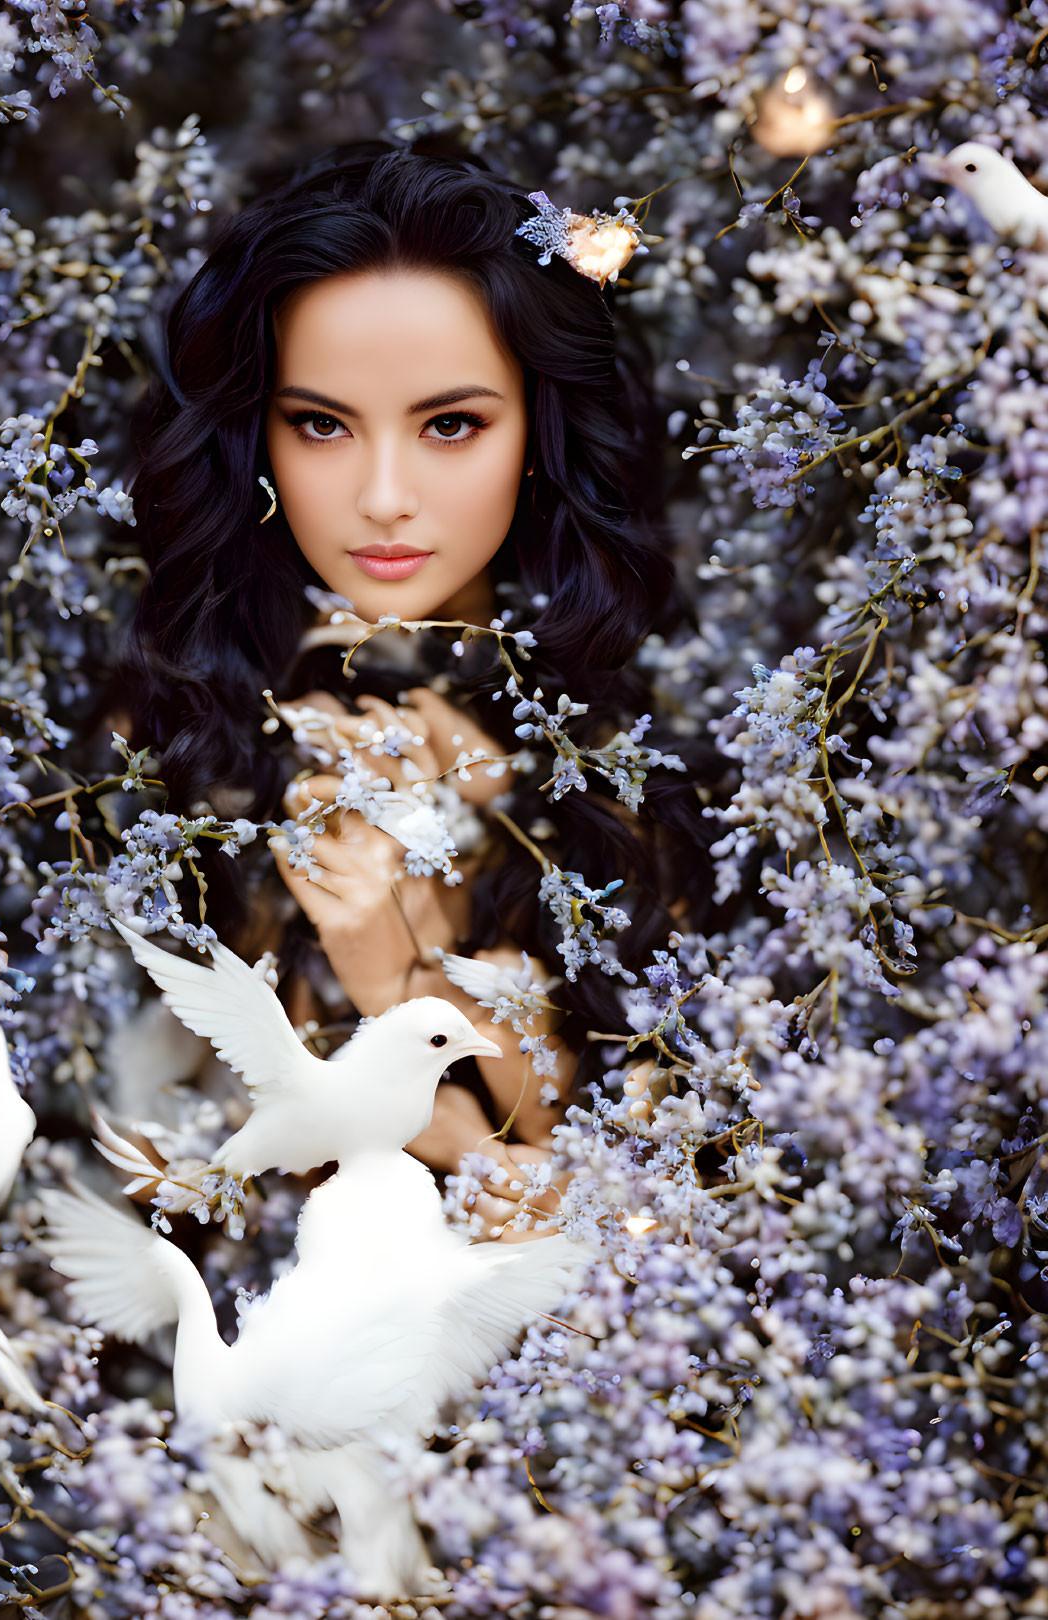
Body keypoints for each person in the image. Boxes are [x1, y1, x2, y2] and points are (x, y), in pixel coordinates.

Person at [120, 142, 716, 1232]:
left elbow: (639, 1229)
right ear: (255, 438)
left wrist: (404, 973)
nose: (383, 497)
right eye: (320, 423)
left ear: (539, 428)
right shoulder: (173, 752)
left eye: (451, 424)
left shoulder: (636, 786)